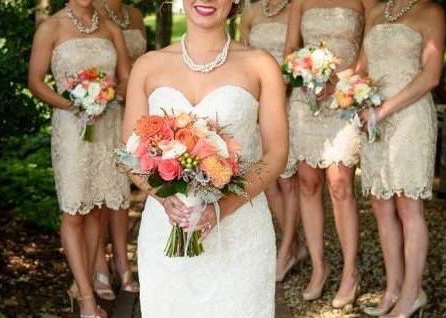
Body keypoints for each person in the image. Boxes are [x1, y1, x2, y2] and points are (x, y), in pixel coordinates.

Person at [122, 0, 288, 316]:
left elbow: (277, 153)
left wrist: (220, 209)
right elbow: (129, 151)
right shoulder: (148, 66)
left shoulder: (260, 65)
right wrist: (162, 196)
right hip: (168, 226)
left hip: (240, 227)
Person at [28, 0, 131, 316]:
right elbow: (35, 82)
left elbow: (126, 76)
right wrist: (73, 104)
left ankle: (81, 283)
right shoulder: (52, 27)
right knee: (74, 211)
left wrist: (107, 95)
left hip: (107, 124)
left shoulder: (110, 26)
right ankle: (87, 301)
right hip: (72, 129)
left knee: (98, 207)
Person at [283, 0, 376, 307]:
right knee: (308, 184)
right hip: (305, 99)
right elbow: (289, 52)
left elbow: (371, 48)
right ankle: (319, 268)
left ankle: (351, 271)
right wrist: (306, 75)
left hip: (345, 95)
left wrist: (338, 79)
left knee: (339, 184)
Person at [357, 0, 445, 316]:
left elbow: (431, 75)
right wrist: (354, 96)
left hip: (410, 115)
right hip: (373, 118)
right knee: (381, 204)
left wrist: (384, 109)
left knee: (408, 204)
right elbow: (361, 69)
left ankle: (412, 293)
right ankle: (393, 288)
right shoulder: (376, 11)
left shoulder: (430, 12)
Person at [240, 0, 306, 282]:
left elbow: (301, 56)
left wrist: (281, 91)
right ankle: (296, 245)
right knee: (267, 182)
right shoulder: (250, 12)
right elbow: (240, 57)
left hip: (288, 102)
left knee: (289, 181)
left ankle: (287, 248)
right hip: (257, 106)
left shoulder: (297, 8)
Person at [92, 0, 146, 300]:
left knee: (121, 192)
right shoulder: (91, 13)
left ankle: (123, 263)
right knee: (98, 192)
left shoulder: (134, 15)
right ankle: (99, 264)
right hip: (100, 111)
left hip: (131, 110)